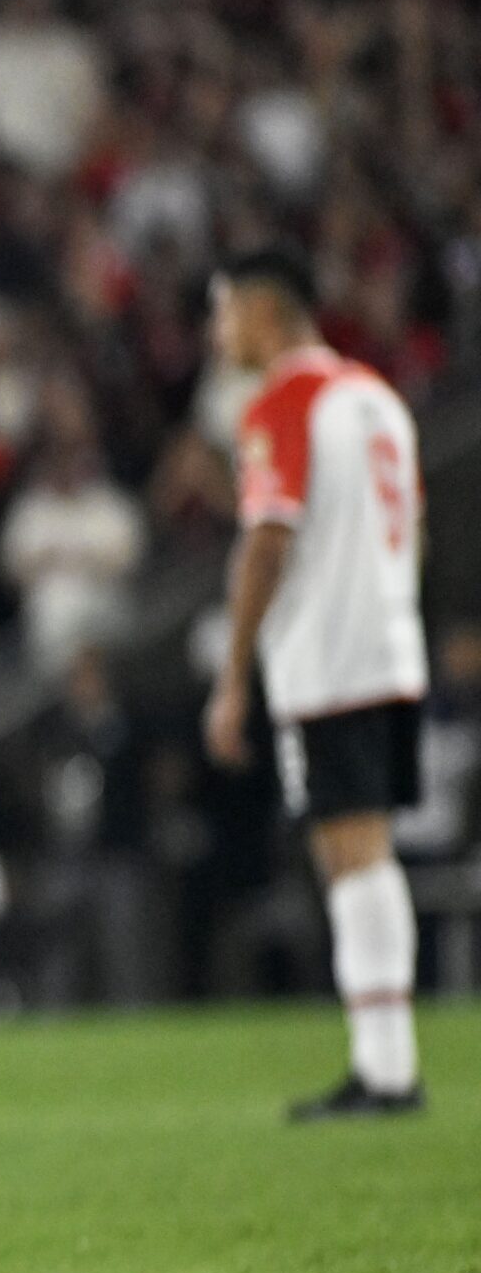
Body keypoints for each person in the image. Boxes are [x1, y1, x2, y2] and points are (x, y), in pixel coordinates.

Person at [202, 246, 429, 1121]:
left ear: (265, 312)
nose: (220, 333)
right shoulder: (377, 397)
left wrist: (233, 675)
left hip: (330, 658)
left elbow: (268, 538)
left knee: (351, 853)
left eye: (226, 312)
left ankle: (386, 1068)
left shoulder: (283, 403)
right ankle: (385, 1060)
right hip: (388, 643)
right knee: (365, 851)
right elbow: (414, 526)